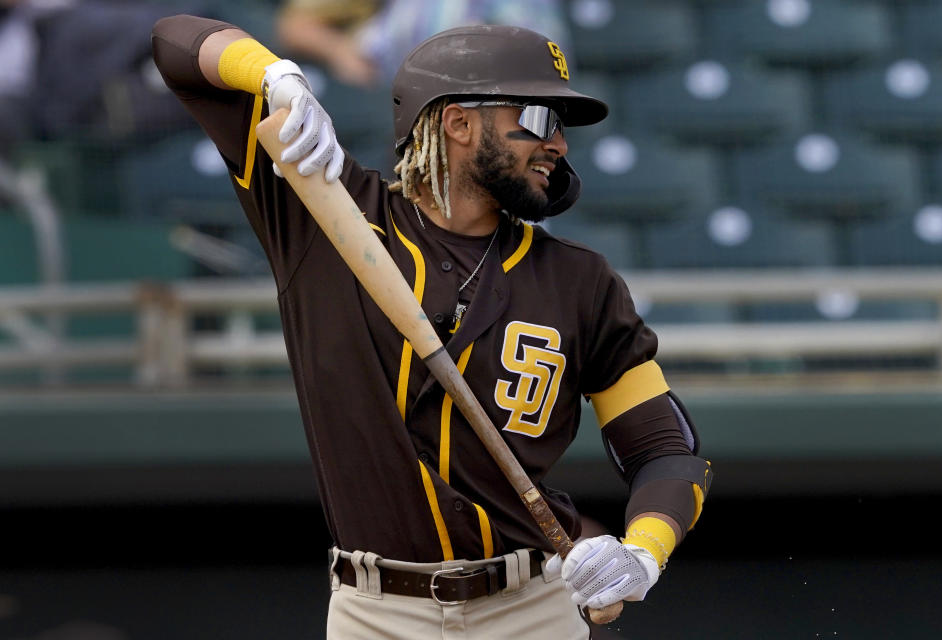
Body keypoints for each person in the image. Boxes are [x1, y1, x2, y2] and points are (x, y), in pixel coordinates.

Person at [152, 14, 713, 638]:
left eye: (562, 126)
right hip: (376, 611)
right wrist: (277, 77)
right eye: (538, 118)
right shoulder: (319, 211)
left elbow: (664, 450)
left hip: (532, 607)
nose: (558, 143)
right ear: (458, 121)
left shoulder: (582, 282)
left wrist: (642, 553)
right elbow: (175, 43)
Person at [274, 0, 572, 87]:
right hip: (408, 107)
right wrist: (339, 50)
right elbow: (293, 25)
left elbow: (547, 62)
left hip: (496, 104)